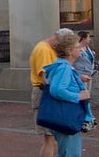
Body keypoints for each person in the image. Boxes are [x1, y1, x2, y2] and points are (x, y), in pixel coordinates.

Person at [42, 30, 91, 157]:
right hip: (66, 117)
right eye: (77, 47)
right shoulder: (64, 67)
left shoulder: (64, 66)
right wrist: (79, 96)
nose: (80, 49)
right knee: (71, 153)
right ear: (69, 51)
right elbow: (57, 89)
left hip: (64, 116)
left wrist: (78, 80)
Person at [30, 28, 72, 157]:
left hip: (46, 94)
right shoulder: (44, 49)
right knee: (49, 137)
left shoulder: (48, 49)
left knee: (52, 137)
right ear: (58, 39)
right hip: (45, 94)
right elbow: (45, 78)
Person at [74, 31, 96, 132]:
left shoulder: (88, 49)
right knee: (83, 97)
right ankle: (86, 117)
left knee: (87, 95)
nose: (90, 39)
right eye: (88, 37)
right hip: (80, 75)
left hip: (89, 75)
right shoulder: (77, 48)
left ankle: (88, 117)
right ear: (83, 38)